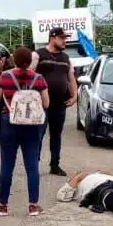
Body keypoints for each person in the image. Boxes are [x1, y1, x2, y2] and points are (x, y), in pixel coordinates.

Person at [0, 47, 50, 217]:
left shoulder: (5, 76)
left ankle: (2, 205)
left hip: (9, 123)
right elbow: (46, 104)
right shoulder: (38, 78)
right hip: (32, 125)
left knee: (7, 165)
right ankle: (33, 205)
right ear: (30, 61)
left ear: (14, 60)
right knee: (32, 165)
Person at [34, 27, 77, 176]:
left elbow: (71, 78)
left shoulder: (66, 58)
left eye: (66, 38)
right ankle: (34, 165)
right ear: (52, 38)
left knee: (56, 135)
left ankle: (55, 165)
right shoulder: (39, 54)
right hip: (41, 104)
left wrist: (74, 96)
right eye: (62, 38)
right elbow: (29, 75)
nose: (65, 41)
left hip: (60, 104)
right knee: (38, 134)